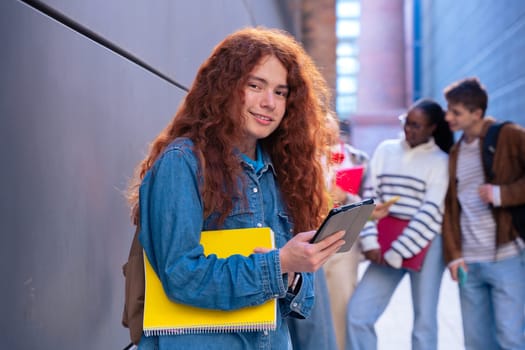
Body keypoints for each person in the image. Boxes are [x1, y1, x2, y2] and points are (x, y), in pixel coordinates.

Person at [126, 27, 346, 350]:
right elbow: (181, 276)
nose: (269, 103)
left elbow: (299, 303)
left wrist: (297, 272)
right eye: (255, 85)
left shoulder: (284, 170)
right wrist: (279, 264)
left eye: (281, 92)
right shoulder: (182, 162)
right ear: (224, 87)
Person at [347, 98, 454, 350]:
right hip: (384, 240)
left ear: (432, 129)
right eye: (407, 123)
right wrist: (371, 242)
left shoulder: (441, 161)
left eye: (417, 126)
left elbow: (431, 212)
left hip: (427, 243)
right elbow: (370, 196)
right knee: (358, 315)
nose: (409, 130)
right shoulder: (385, 149)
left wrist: (398, 252)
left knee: (424, 324)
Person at [442, 77, 525, 350]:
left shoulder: (509, 135)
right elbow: (452, 208)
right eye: (448, 110)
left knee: (510, 340)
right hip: (470, 263)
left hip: (507, 258)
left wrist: (502, 194)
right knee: (476, 343)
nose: (448, 117)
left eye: (456, 112)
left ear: (477, 113)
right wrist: (454, 256)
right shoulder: (454, 152)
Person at [322, 114, 369, 350]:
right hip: (312, 242)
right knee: (313, 317)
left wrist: (346, 197)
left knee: (342, 312)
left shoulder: (359, 158)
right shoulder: (300, 157)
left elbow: (370, 202)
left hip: (344, 246)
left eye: (329, 123)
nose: (325, 128)